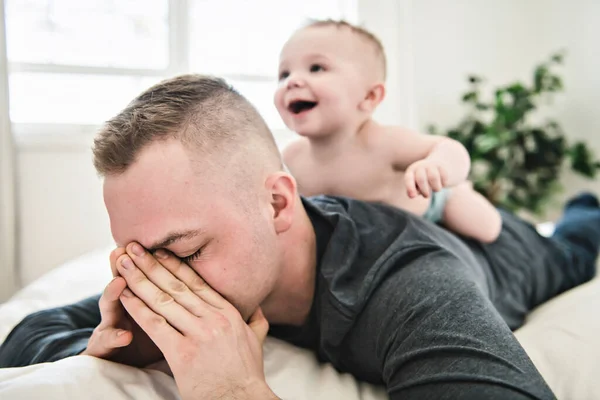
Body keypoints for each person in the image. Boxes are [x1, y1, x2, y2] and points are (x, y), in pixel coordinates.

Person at [1, 74, 599, 400]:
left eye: (184, 253)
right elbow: (28, 334)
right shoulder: (187, 269)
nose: (163, 282)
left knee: (575, 242)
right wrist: (110, 344)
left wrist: (234, 392)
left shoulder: (409, 281)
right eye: (137, 256)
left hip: (513, 256)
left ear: (277, 202)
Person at [275, 20, 502, 243]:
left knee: (487, 228)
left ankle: (463, 192)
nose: (292, 81)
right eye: (284, 74)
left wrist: (437, 167)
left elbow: (450, 149)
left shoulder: (384, 142)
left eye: (316, 68)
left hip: (431, 202)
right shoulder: (292, 158)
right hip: (364, 232)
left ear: (369, 97)